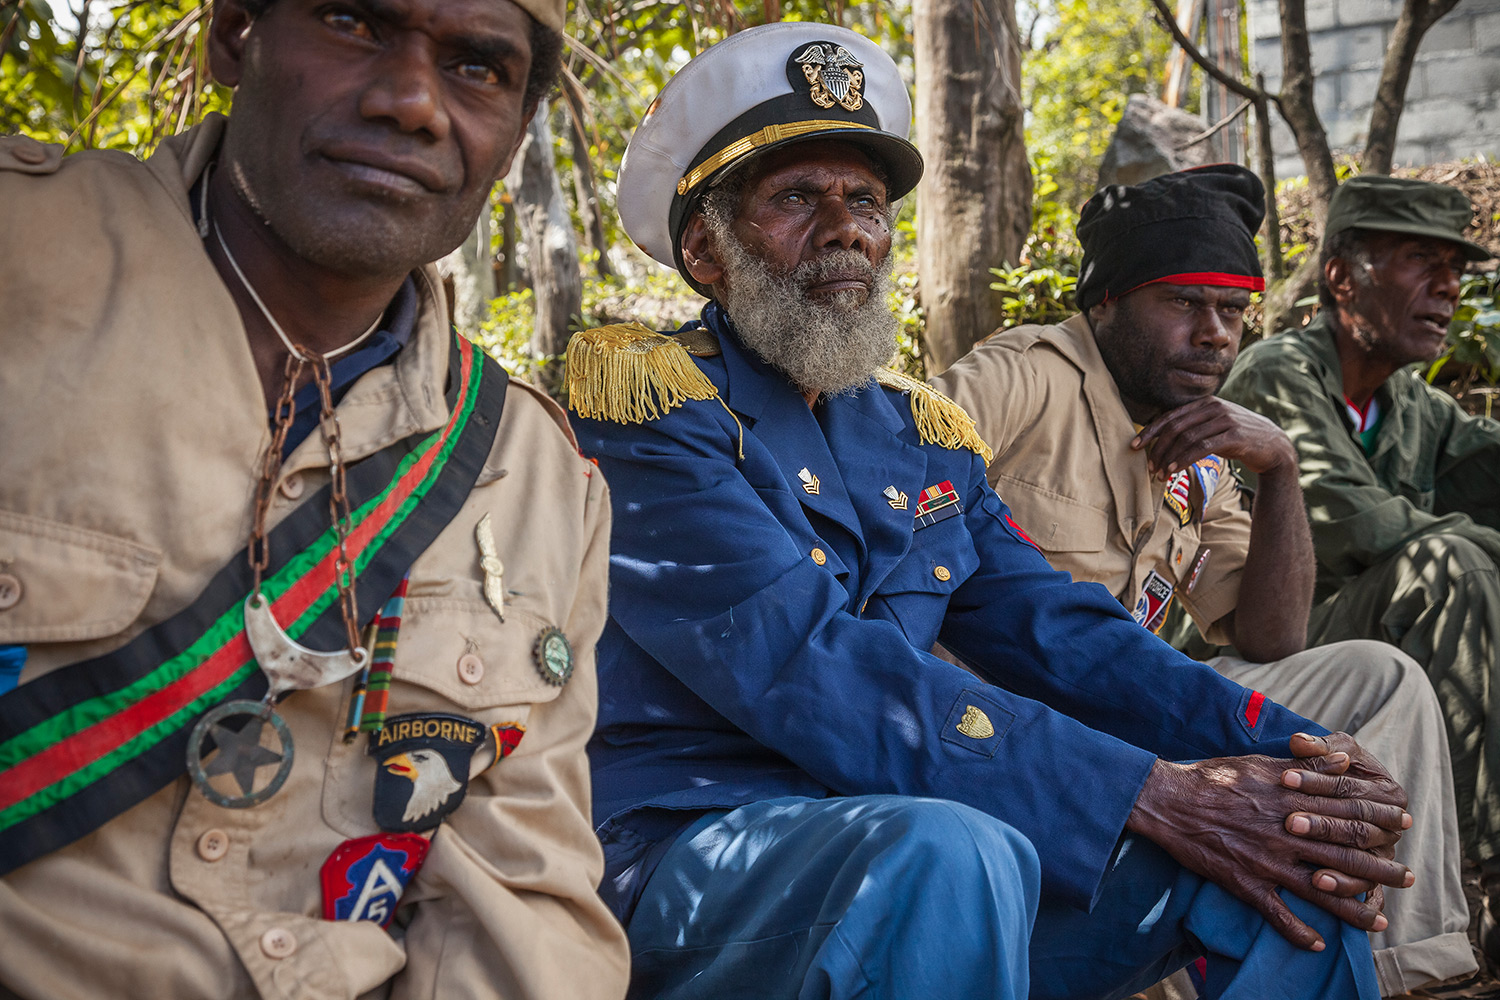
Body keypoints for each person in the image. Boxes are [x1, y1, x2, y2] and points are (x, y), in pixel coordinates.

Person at [566, 22, 1412, 1000]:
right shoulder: (649, 414)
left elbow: (1065, 633)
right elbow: (807, 662)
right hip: (694, 852)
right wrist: (1148, 789)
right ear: (706, 249)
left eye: (865, 201)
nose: (845, 229)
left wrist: (1294, 752)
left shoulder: (917, 434)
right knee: (952, 850)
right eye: (796, 198)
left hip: (915, 832)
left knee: (1294, 854)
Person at [0, 1, 630, 998]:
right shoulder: (22, 259)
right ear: (235, 35)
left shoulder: (541, 483)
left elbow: (520, 911)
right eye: (353, 22)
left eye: (477, 67)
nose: (413, 102)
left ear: (513, 138)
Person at [931, 165, 1473, 996]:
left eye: (1232, 310)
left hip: (1141, 711)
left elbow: (1272, 638)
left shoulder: (1199, 447)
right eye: (1184, 303)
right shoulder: (1023, 376)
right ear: (1106, 300)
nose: (1216, 334)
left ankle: (1406, 971)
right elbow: (889, 483)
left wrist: (1279, 467)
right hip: (1014, 732)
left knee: (1379, 677)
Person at [1219, 174, 1500, 947]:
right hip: (1270, 656)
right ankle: (1488, 874)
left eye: (1456, 269)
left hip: (1360, 641)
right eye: (1421, 261)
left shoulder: (1412, 404)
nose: (1448, 287)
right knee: (1452, 567)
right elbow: (1353, 525)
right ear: (1342, 277)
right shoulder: (1277, 373)